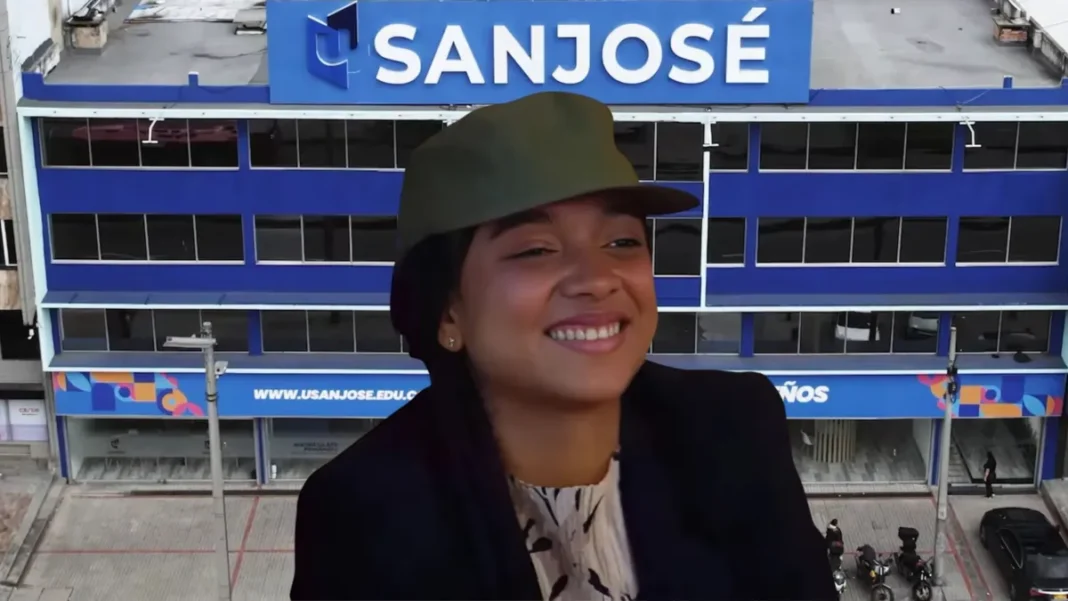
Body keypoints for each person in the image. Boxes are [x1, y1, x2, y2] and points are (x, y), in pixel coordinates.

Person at [290, 92, 836, 601]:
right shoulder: (361, 509)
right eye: (536, 250)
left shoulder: (734, 428)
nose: (597, 279)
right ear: (447, 310)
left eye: (621, 242)